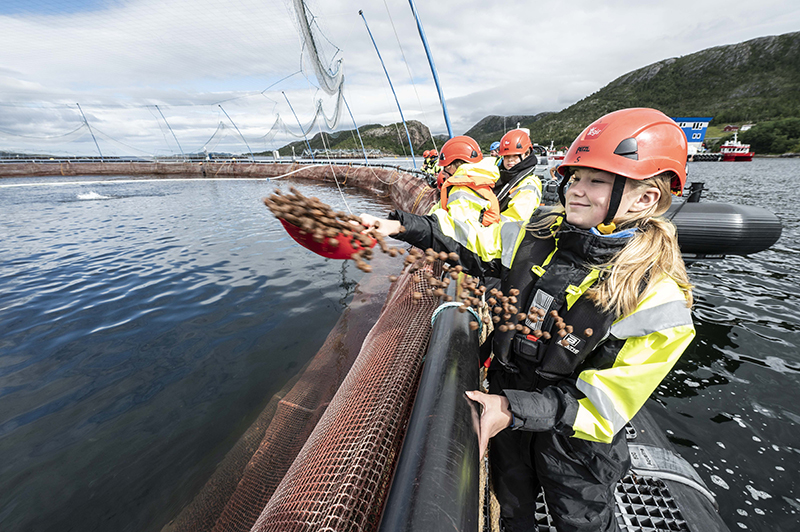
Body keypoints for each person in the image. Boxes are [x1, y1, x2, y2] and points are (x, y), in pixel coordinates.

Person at [361, 108, 695, 532]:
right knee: (514, 505)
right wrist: (395, 226)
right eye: (576, 177)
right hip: (510, 409)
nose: (576, 190)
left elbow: (603, 408)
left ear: (644, 198)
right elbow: (465, 242)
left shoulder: (658, 299)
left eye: (597, 180)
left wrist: (510, 408)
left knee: (581, 520)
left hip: (574, 445)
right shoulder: (536, 233)